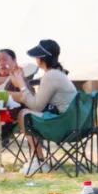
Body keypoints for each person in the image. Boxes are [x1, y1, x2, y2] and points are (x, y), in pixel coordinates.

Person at [9, 39, 77, 176]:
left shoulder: (50, 76)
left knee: (24, 114)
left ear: (40, 59)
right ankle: (38, 159)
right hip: (73, 123)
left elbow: (36, 107)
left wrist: (21, 83)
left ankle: (39, 161)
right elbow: (36, 100)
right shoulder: (57, 73)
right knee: (28, 114)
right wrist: (20, 84)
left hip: (63, 125)